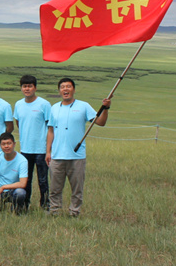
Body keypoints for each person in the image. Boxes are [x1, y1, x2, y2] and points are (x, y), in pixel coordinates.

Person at [46, 78, 110, 217]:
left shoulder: (83, 106)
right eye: (62, 87)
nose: (65, 89)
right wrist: (48, 152)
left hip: (76, 156)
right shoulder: (54, 108)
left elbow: (101, 122)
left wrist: (105, 108)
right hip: (57, 155)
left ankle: (74, 212)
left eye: (68, 86)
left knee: (77, 189)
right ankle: (54, 212)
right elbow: (50, 131)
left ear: (74, 90)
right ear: (59, 91)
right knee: (55, 188)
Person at [13, 75, 51, 210]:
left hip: (41, 149)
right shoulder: (18, 104)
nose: (27, 89)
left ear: (35, 88)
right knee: (26, 180)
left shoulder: (44, 104)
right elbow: (18, 122)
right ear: (21, 88)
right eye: (24, 86)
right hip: (25, 149)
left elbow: (50, 127)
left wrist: (48, 149)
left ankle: (45, 206)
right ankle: (24, 205)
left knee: (43, 180)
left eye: (30, 86)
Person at [0, 133, 28, 213]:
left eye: (9, 143)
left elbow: (23, 183)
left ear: (14, 144)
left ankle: (16, 210)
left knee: (20, 193)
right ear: (0, 145)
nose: (6, 146)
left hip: (13, 190)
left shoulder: (22, 161)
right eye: (3, 144)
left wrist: (4, 187)